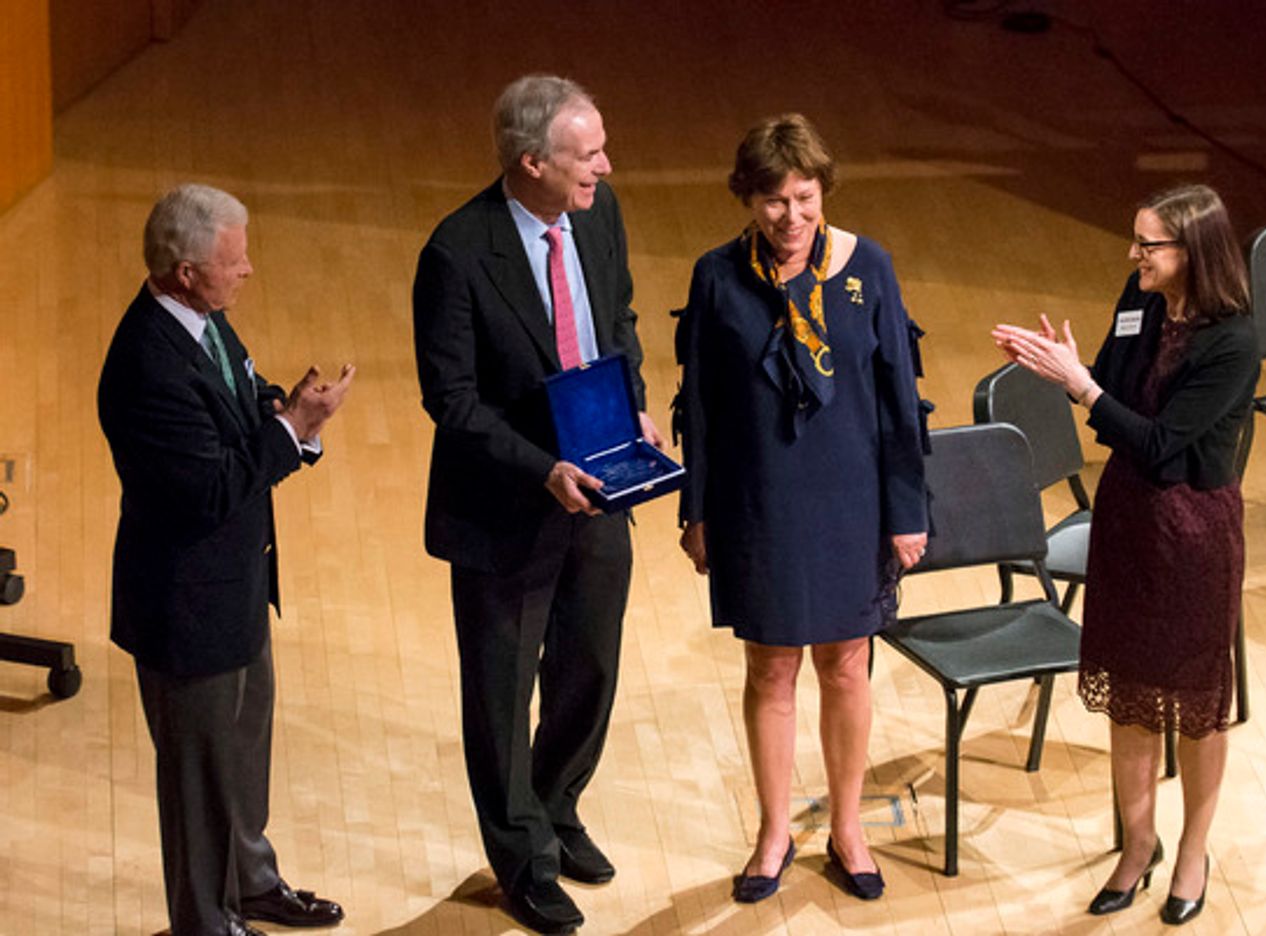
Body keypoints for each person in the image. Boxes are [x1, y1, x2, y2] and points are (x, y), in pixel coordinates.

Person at [411, 74, 661, 935]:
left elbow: (616, 315)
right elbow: (451, 399)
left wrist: (634, 402)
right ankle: (519, 856)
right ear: (531, 161)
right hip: (508, 504)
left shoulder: (600, 211)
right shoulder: (455, 251)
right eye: (587, 154)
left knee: (589, 663)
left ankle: (557, 807)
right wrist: (541, 468)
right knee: (501, 688)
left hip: (601, 485)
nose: (606, 165)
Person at [674, 114, 928, 904]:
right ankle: (775, 830)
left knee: (846, 664)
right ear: (748, 199)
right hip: (758, 501)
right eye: (774, 201)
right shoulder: (718, 277)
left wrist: (907, 508)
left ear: (824, 193)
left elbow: (897, 399)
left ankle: (848, 826)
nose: (792, 217)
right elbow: (703, 405)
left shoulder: (869, 268)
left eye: (806, 198)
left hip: (851, 500)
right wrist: (698, 508)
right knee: (770, 667)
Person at [992, 183, 1259, 926]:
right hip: (1129, 517)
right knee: (1132, 693)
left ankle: (1192, 852)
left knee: (1198, 706)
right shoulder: (1140, 296)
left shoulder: (1232, 342)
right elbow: (1114, 404)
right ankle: (1137, 846)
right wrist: (1077, 371)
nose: (1133, 255)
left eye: (1149, 245)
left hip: (1195, 533)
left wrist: (1082, 387)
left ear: (1192, 254)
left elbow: (1163, 442)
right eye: (1135, 240)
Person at [98, 184, 354, 936]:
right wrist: (291, 432)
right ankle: (206, 923)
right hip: (185, 608)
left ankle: (252, 883)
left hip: (234, 586)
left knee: (240, 756)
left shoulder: (204, 326)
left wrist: (282, 407)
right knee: (199, 783)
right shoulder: (149, 366)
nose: (247, 271)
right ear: (183, 271)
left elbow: (240, 397)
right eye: (232, 260)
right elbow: (206, 489)